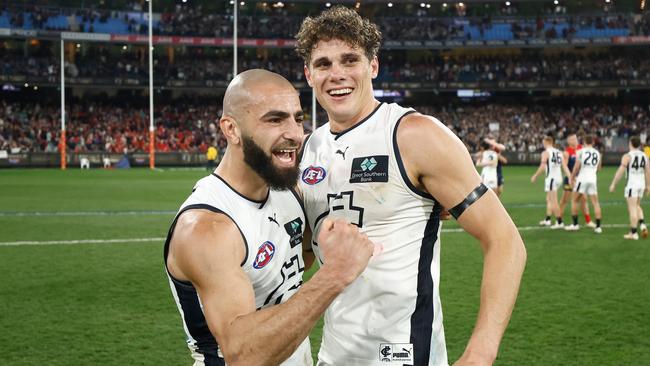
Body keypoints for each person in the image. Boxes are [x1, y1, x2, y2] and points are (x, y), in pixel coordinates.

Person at [295, 7, 526, 366]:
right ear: (308, 74)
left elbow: (505, 240)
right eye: (323, 64)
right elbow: (306, 258)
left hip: (406, 356)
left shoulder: (414, 134)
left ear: (373, 66)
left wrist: (480, 353)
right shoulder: (308, 151)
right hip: (333, 356)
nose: (336, 74)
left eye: (350, 59)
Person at [164, 69, 375, 366]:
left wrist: (423, 199)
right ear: (231, 129)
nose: (295, 134)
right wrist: (333, 276)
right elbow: (243, 355)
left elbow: (297, 257)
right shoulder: (207, 228)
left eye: (297, 118)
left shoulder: (288, 193)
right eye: (275, 119)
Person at [609, 136, 650, 240]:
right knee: (636, 206)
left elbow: (620, 171)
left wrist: (614, 183)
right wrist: (648, 185)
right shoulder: (645, 155)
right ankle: (642, 225)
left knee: (632, 209)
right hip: (641, 184)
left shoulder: (627, 156)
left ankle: (633, 233)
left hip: (632, 184)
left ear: (630, 143)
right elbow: (647, 172)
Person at [531, 136, 571, 229]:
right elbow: (564, 167)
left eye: (543, 142)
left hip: (551, 178)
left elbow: (542, 166)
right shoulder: (559, 152)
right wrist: (570, 177)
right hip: (558, 178)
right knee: (549, 199)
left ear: (546, 142)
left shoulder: (545, 153)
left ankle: (559, 222)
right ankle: (548, 219)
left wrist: (535, 176)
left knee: (553, 201)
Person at [567, 134, 602, 233]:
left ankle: (575, 224)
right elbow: (599, 168)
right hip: (593, 179)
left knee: (574, 200)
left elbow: (576, 166)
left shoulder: (580, 151)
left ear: (584, 142)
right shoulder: (597, 153)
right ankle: (598, 227)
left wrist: (571, 177)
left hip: (582, 178)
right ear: (593, 142)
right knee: (595, 202)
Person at [559, 133, 594, 228]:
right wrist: (571, 177)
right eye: (572, 139)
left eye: (575, 138)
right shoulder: (567, 152)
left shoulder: (582, 149)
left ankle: (588, 221)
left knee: (584, 199)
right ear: (568, 141)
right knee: (564, 200)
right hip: (570, 179)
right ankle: (559, 221)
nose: (575, 140)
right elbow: (564, 166)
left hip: (581, 179)